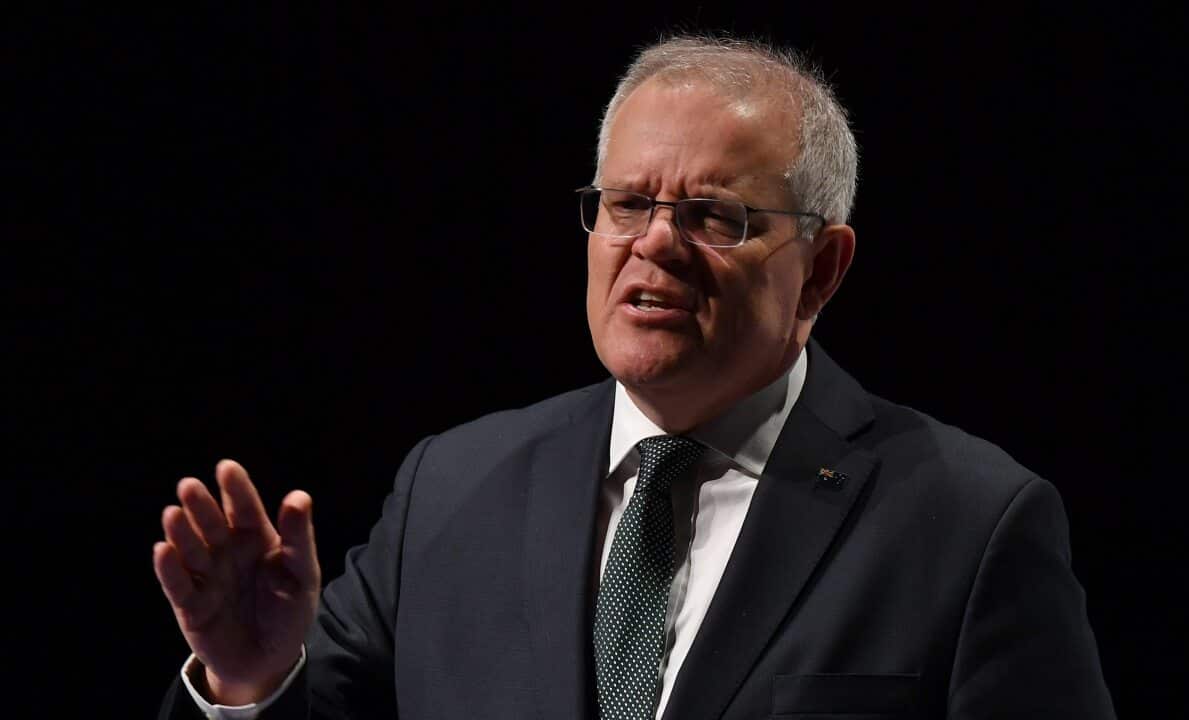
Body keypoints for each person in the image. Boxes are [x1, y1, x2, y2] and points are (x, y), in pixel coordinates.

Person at [154, 35, 1116, 719]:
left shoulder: (971, 524)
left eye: (713, 215)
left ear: (822, 269)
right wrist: (251, 687)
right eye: (627, 203)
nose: (655, 242)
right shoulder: (452, 485)